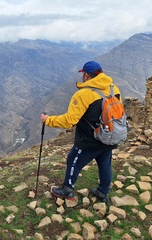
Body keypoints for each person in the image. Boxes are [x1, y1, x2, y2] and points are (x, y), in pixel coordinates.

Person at [40, 61, 122, 203]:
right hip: (109, 135)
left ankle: (67, 189)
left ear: (86, 75)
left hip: (89, 139)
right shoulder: (113, 88)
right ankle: (103, 192)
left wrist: (48, 120)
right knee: (105, 163)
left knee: (73, 160)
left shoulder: (84, 94)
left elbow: (69, 121)